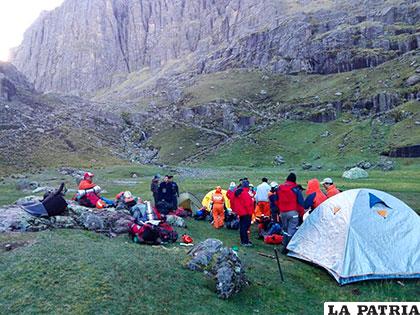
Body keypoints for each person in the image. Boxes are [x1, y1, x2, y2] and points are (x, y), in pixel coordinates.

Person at [277, 173, 305, 252]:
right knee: (291, 230)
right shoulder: (295, 189)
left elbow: (276, 200)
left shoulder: (280, 188)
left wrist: (279, 209)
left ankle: (284, 246)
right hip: (293, 212)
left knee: (285, 230)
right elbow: (300, 203)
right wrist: (301, 213)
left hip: (282, 212)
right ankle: (289, 248)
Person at [233, 180, 254, 246]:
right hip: (246, 213)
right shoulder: (245, 193)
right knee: (245, 227)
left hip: (242, 212)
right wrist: (250, 212)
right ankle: (245, 242)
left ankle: (244, 240)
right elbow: (247, 204)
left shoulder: (239, 192)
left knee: (243, 227)